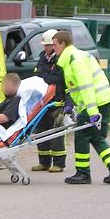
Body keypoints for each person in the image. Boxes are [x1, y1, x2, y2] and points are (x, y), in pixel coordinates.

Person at [52, 30, 110, 185]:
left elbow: (86, 86)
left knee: (82, 135)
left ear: (63, 43)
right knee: (95, 136)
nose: (53, 48)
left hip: (95, 102)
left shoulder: (75, 60)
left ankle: (83, 173)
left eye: (54, 44)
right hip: (100, 100)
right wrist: (71, 104)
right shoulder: (72, 58)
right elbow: (75, 88)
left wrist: (93, 112)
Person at [31, 29, 67, 173]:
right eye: (45, 45)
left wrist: (44, 77)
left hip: (57, 100)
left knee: (56, 131)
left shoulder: (60, 59)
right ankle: (44, 162)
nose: (46, 48)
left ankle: (59, 163)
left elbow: (58, 79)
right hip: (42, 100)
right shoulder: (42, 57)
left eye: (49, 45)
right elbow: (37, 75)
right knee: (41, 130)